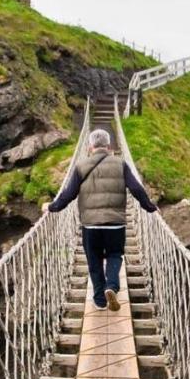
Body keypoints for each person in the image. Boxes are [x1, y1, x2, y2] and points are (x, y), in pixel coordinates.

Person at [44, 128, 157, 310]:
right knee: (114, 255)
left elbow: (69, 194)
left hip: (90, 225)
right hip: (116, 223)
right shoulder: (120, 164)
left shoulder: (81, 166)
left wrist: (51, 207)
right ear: (109, 145)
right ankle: (111, 286)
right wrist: (150, 207)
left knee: (94, 260)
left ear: (90, 147)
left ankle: (99, 300)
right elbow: (136, 189)